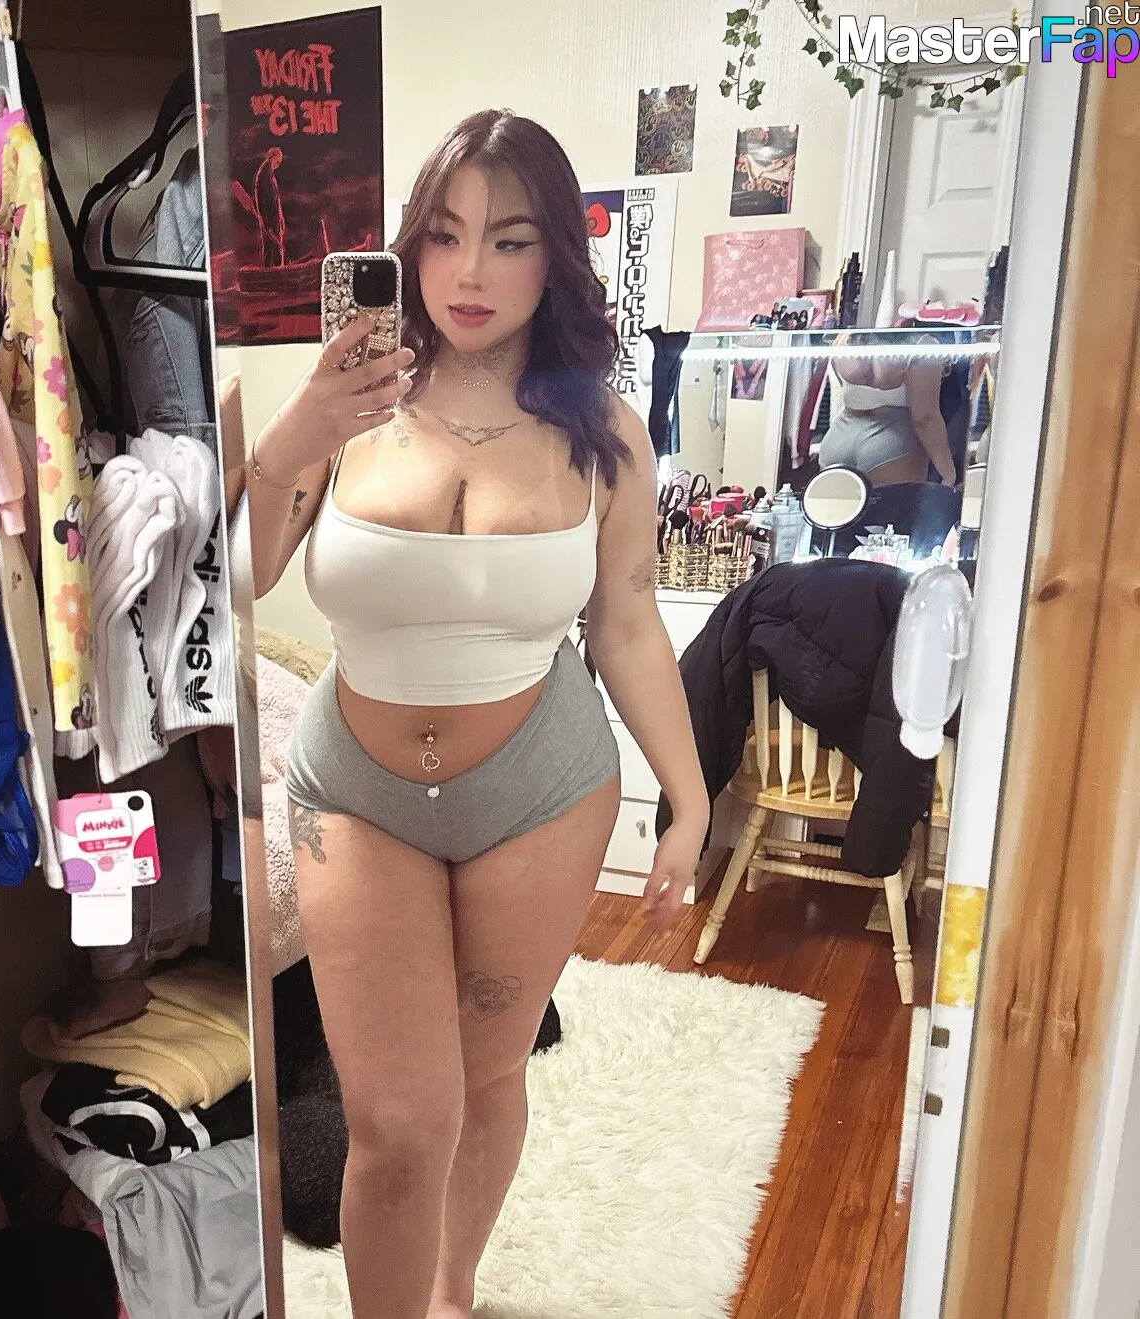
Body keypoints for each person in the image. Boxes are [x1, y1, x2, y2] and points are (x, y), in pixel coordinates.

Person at [242, 109, 708, 1319]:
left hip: (540, 789)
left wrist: (690, 796)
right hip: (356, 791)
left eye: (508, 240)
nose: (468, 272)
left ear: (555, 256)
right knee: (399, 1120)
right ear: (409, 246)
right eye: (443, 235)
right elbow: (236, 580)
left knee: (490, 1074)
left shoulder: (602, 430)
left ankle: (451, 1291)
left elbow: (626, 621)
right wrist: (295, 434)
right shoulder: (346, 404)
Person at [819, 329, 959, 487]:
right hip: (892, 441)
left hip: (840, 436)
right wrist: (948, 473)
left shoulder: (844, 338)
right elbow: (924, 418)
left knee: (835, 503)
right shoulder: (921, 344)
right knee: (893, 503)